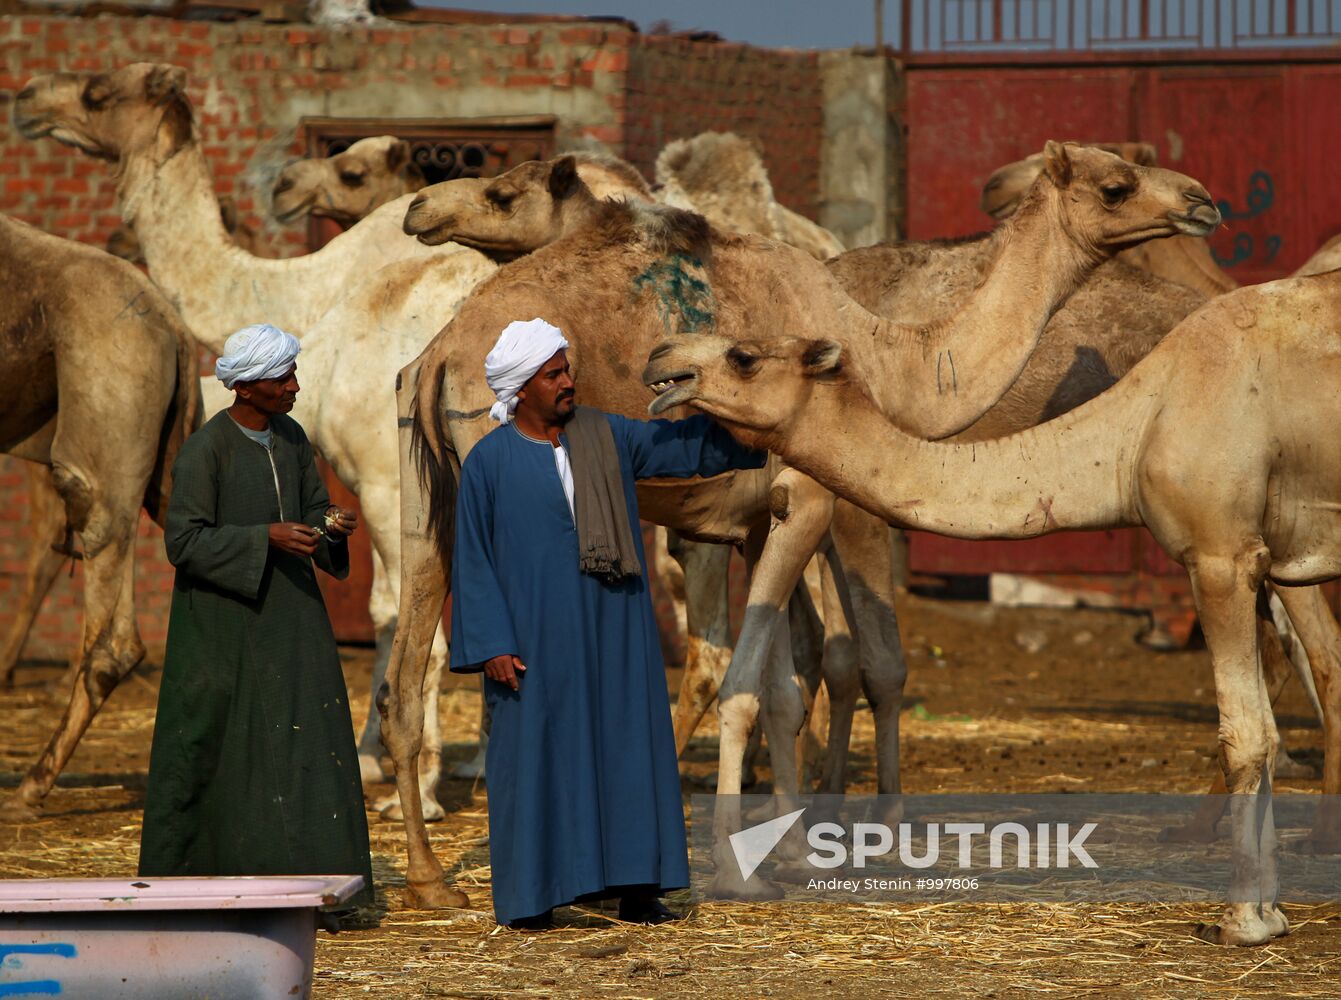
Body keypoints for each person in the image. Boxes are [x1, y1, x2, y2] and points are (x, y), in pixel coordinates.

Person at [450, 317, 768, 929]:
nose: (568, 382)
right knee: (536, 756)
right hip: (533, 638)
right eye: (554, 375)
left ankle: (637, 888)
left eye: (566, 370)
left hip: (615, 624)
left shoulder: (606, 436)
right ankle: (534, 898)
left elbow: (682, 448)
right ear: (522, 389)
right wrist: (490, 643)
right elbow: (474, 559)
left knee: (627, 747)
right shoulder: (489, 463)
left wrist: (754, 415)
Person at [139, 323, 374, 916]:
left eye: (294, 374)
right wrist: (262, 538)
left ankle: (319, 889)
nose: (295, 386)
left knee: (305, 742)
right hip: (222, 626)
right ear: (244, 388)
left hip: (292, 620)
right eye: (283, 378)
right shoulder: (205, 451)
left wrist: (330, 526)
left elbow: (313, 510)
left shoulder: (293, 439)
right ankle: (213, 887)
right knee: (227, 745)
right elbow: (184, 541)